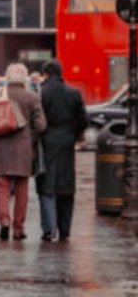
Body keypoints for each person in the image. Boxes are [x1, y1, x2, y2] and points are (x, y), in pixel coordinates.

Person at [0, 61, 45, 242]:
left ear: (7, 77)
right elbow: (41, 125)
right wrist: (30, 137)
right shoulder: (32, 97)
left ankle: (4, 220)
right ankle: (18, 229)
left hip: (1, 149)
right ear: (24, 78)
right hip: (23, 150)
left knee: (2, 187)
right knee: (21, 189)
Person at [37, 58, 88, 242]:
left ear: (46, 74)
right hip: (67, 142)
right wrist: (74, 134)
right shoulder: (74, 93)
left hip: (47, 141)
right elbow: (84, 119)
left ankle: (49, 229)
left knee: (47, 184)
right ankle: (64, 229)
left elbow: (37, 120)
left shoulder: (42, 93)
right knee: (66, 184)